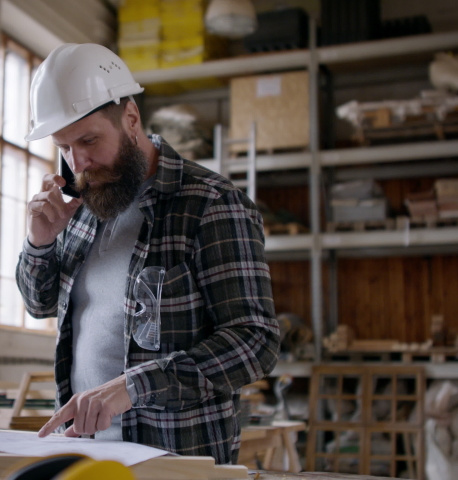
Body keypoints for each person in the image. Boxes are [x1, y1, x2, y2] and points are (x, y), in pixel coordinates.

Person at [15, 43, 279, 465]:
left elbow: (255, 341)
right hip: (87, 457)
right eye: (64, 147)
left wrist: (134, 385)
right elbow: (38, 304)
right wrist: (40, 243)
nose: (78, 164)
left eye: (88, 140)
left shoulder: (211, 203)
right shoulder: (81, 210)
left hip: (174, 460)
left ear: (131, 118)